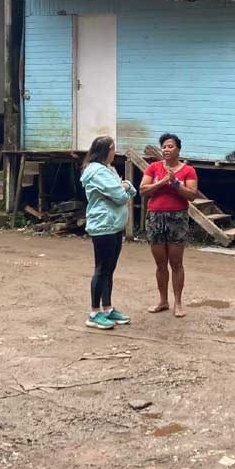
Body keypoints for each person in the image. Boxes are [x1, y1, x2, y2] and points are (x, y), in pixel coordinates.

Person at [80, 135, 135, 330]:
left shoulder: (108, 170)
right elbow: (121, 196)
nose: (115, 151)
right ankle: (94, 312)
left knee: (109, 269)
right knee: (101, 268)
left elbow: (130, 190)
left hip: (114, 225)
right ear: (105, 151)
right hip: (103, 224)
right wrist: (123, 188)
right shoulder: (96, 172)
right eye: (113, 148)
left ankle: (108, 308)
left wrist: (125, 186)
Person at [140, 133, 198, 318]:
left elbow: (191, 195)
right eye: (164, 146)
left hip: (177, 218)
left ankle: (178, 303)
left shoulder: (188, 170)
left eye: (170, 146)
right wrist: (163, 181)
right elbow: (143, 190)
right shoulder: (153, 167)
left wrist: (174, 184)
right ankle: (163, 301)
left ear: (178, 149)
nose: (166, 149)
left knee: (176, 262)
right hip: (155, 217)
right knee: (160, 263)